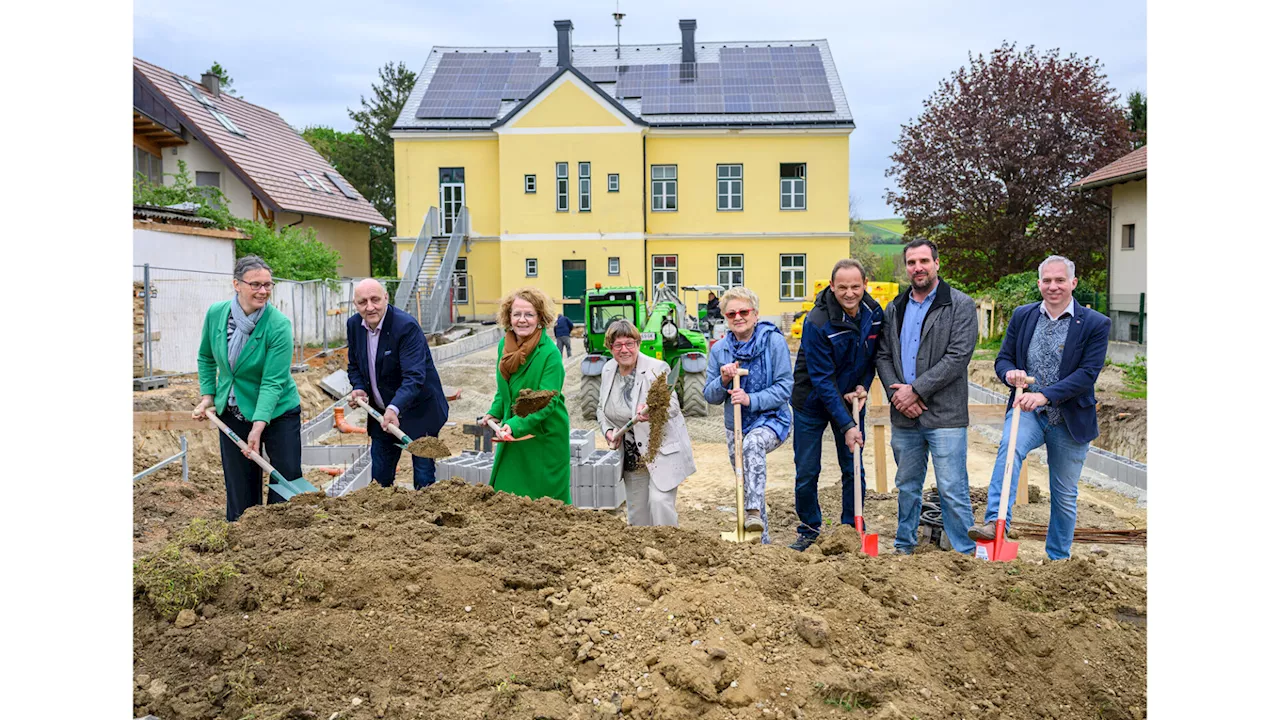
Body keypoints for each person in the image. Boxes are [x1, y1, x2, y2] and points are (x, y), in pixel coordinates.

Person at [969, 256, 1110, 560]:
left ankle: (1058, 559)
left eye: (1060, 280)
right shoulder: (1023, 316)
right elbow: (1003, 358)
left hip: (1070, 419)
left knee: (1064, 495)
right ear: (1039, 284)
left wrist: (1045, 395)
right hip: (1028, 412)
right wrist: (1010, 373)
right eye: (1047, 281)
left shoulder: (1095, 324)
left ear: (1073, 283)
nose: (1053, 286)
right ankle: (995, 522)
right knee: (1009, 448)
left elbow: (1087, 374)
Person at [875, 238, 979, 555]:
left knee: (951, 487)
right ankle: (904, 545)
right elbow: (883, 355)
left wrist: (915, 390)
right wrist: (898, 395)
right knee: (907, 485)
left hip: (945, 415)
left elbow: (958, 356)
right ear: (906, 267)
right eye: (911, 263)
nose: (917, 268)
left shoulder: (960, 305)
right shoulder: (895, 307)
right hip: (904, 415)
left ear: (936, 263)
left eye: (923, 261)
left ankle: (963, 552)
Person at [192, 255, 302, 522]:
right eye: (255, 284)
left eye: (267, 285)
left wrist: (258, 424)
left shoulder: (278, 325)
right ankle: (243, 539)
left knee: (284, 479)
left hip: (277, 412)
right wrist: (208, 395)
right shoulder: (216, 314)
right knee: (240, 484)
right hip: (232, 408)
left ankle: (280, 538)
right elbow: (206, 356)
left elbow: (273, 381)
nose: (263, 291)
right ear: (237, 284)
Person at [788, 259, 884, 551]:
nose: (849, 293)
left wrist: (863, 386)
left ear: (865, 285)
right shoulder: (817, 322)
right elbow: (822, 379)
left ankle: (851, 528)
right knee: (807, 469)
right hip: (813, 402)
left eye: (856, 286)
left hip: (851, 399)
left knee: (853, 466)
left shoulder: (874, 314)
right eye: (842, 287)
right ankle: (809, 528)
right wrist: (847, 425)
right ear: (832, 286)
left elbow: (871, 358)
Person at [703, 286, 793, 543]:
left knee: (753, 447)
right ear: (725, 318)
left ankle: (752, 512)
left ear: (755, 314)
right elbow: (710, 396)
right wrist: (722, 379)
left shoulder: (773, 341)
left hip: (772, 419)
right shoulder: (720, 350)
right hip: (737, 425)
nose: (738, 317)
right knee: (747, 478)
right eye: (731, 314)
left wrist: (751, 399)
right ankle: (758, 544)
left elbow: (785, 387)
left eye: (744, 311)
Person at [346, 278, 449, 490]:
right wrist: (359, 387)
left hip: (419, 411)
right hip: (381, 414)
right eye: (362, 302)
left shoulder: (405, 326)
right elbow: (354, 364)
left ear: (386, 298)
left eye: (375, 299)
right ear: (355, 305)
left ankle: (425, 519)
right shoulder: (354, 325)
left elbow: (414, 376)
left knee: (423, 480)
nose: (370, 307)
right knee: (380, 482)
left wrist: (395, 407)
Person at [597, 319, 696, 526]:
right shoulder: (608, 370)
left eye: (629, 343)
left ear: (638, 344)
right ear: (610, 348)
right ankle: (644, 557)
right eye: (618, 345)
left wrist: (653, 410)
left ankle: (670, 549)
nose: (624, 350)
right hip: (633, 456)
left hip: (659, 449)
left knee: (660, 504)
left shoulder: (656, 368)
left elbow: (674, 408)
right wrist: (608, 432)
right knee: (638, 518)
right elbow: (601, 409)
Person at [480, 287, 571, 503]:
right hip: (514, 433)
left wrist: (514, 425)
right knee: (506, 496)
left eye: (529, 314)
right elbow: (505, 391)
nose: (522, 320)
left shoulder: (550, 354)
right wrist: (494, 413)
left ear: (540, 318)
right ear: (508, 317)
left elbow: (547, 403)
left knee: (544, 505)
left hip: (542, 436)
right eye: (517, 314)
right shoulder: (505, 345)